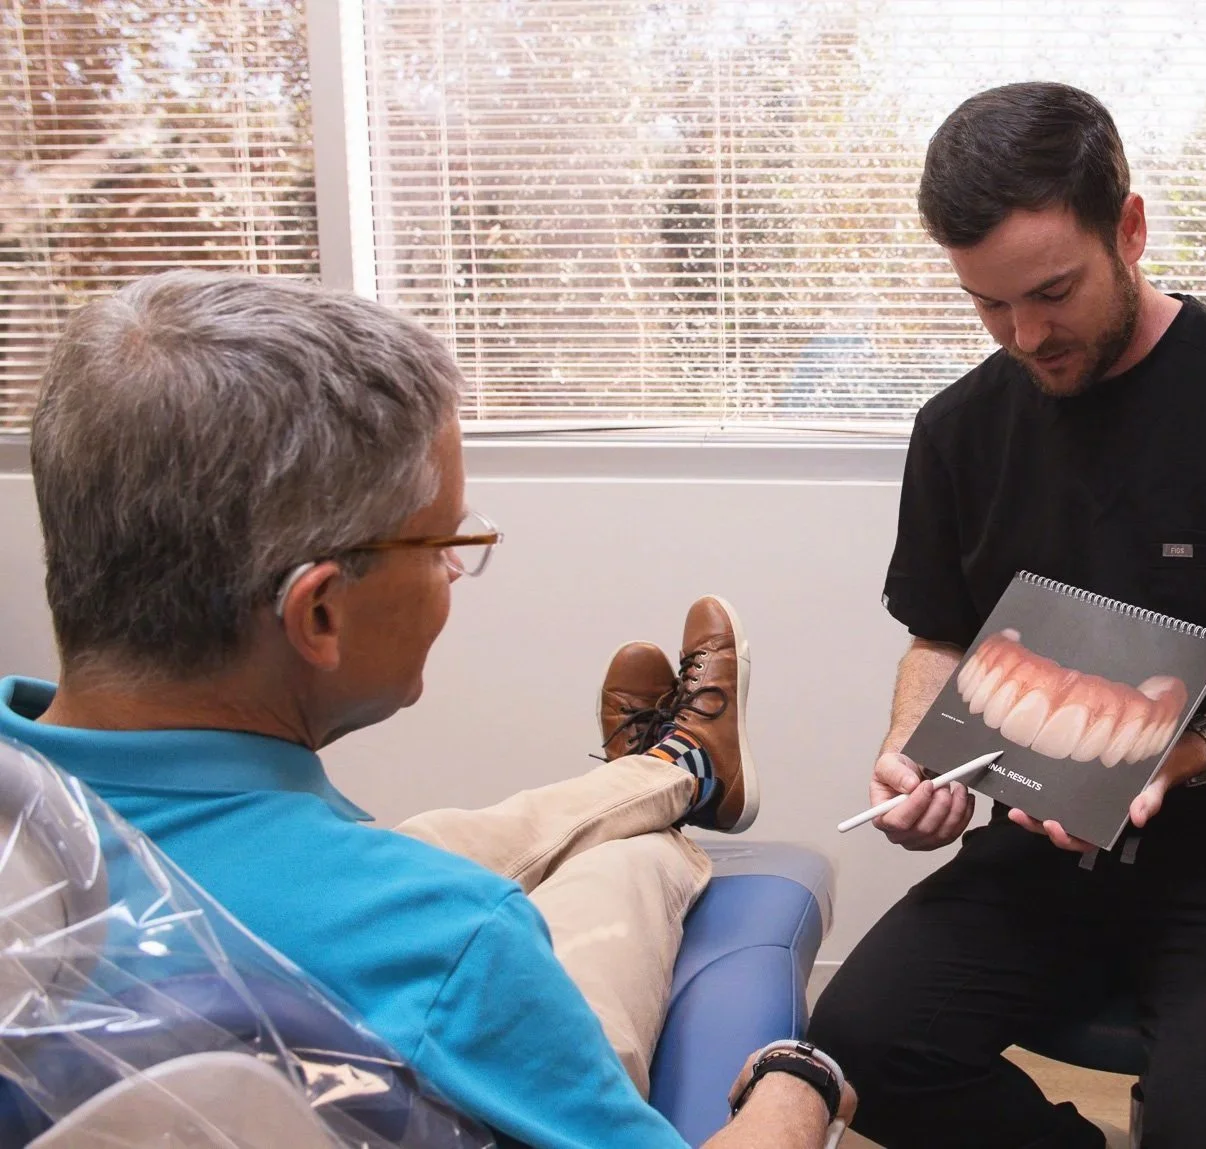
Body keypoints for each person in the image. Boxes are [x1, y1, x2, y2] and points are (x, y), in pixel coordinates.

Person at [1, 271, 854, 1149]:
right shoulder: (448, 938)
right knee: (627, 867)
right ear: (319, 612)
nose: (453, 571)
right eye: (447, 543)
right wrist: (800, 1083)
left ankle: (672, 769)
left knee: (459, 831)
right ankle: (678, 783)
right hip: (419, 997)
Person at [806, 82, 1206, 1149]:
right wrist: (909, 754)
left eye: (1051, 292)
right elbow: (938, 635)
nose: (1023, 335)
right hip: (1044, 846)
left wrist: (1196, 748)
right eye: (987, 306)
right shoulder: (956, 430)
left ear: (1127, 228)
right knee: (859, 1043)